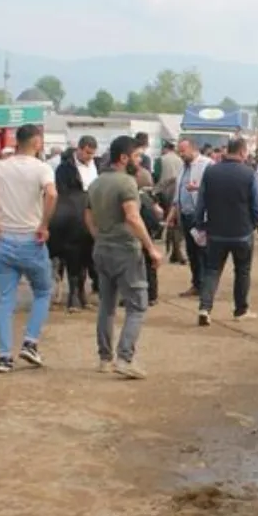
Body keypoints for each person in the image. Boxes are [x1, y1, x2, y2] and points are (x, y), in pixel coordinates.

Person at [0, 124, 57, 374]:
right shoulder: (42, 168)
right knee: (42, 292)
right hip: (32, 240)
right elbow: (51, 194)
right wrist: (44, 224)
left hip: (5, 241)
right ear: (37, 142)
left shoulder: (0, 166)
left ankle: (4, 356)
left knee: (5, 300)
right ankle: (30, 342)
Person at [85, 135, 162, 378]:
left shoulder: (96, 182)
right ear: (124, 157)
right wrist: (150, 247)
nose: (140, 161)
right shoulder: (127, 183)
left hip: (102, 249)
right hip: (125, 251)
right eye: (137, 156)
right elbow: (132, 216)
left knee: (106, 306)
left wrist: (99, 235)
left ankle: (104, 358)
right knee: (137, 305)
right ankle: (125, 358)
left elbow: (87, 216)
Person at [193, 137, 258, 326]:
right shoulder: (249, 174)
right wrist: (256, 223)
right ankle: (241, 310)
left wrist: (199, 224)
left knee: (212, 270)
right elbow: (256, 205)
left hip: (215, 231)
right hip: (242, 232)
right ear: (242, 152)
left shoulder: (211, 172)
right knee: (242, 271)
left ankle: (205, 308)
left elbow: (201, 201)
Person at [169, 139, 213, 297]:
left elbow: (215, 188)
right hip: (185, 215)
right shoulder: (183, 167)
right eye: (179, 151)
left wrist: (197, 188)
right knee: (191, 252)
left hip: (201, 216)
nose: (181, 154)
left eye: (183, 151)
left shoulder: (207, 165)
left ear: (193, 149)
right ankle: (196, 284)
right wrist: (172, 214)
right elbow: (177, 193)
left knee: (203, 251)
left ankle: (206, 287)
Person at [155, 142, 185, 264]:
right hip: (178, 189)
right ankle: (174, 252)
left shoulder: (160, 160)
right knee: (176, 221)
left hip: (164, 190)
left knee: (169, 219)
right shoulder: (181, 160)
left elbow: (156, 176)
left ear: (165, 149)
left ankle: (175, 250)